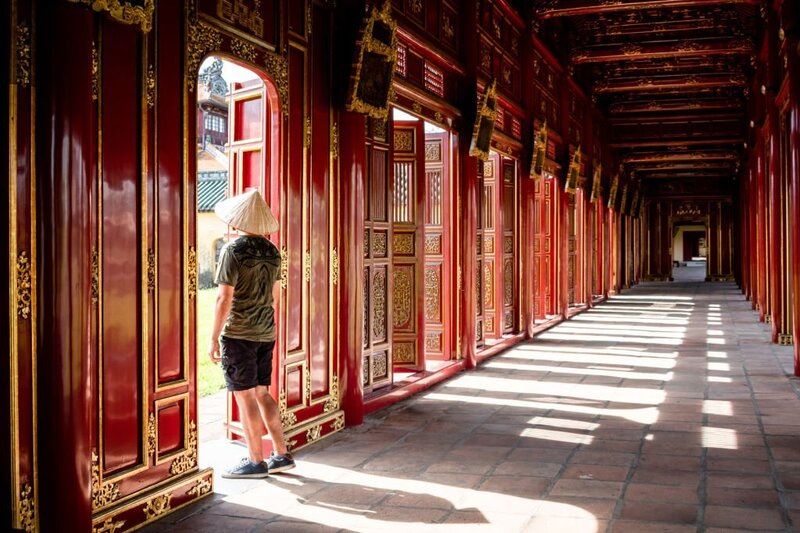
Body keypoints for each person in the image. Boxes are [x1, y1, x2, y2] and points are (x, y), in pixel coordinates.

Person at [208, 189, 295, 478]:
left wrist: (213, 338)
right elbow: (276, 296)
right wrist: (266, 323)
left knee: (245, 397)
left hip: (239, 333)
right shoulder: (272, 251)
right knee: (262, 393)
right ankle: (281, 454)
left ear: (238, 220)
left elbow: (224, 298)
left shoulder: (232, 251)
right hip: (265, 332)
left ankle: (255, 460)